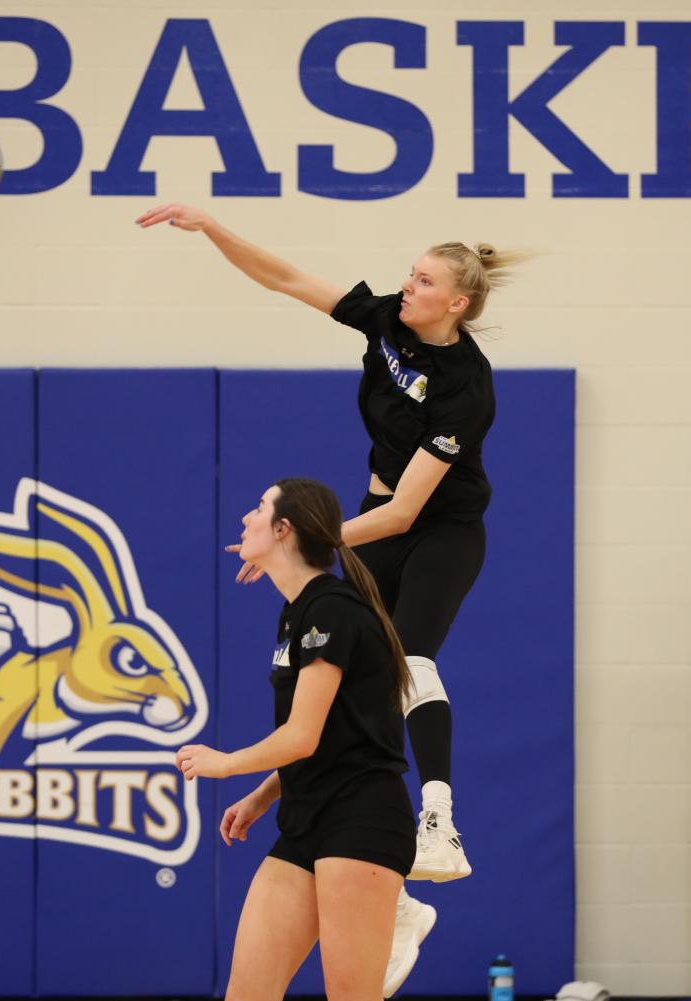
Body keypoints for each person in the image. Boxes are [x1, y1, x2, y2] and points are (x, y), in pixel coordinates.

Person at [137, 203, 522, 982]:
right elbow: (283, 277)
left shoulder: (466, 389)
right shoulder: (386, 319)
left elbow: (409, 512)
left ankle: (437, 820)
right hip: (373, 516)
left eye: (424, 281)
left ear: (458, 303)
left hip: (438, 526)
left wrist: (309, 536)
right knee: (362, 679)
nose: (407, 286)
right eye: (409, 274)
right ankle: (404, 903)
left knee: (407, 655)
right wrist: (211, 228)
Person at [174, 478, 419, 1000]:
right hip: (306, 821)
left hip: (361, 820)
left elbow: (302, 736)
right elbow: (329, 734)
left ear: (284, 529)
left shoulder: (332, 610)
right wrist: (263, 797)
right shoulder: (298, 611)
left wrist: (225, 764)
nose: (245, 518)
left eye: (258, 507)